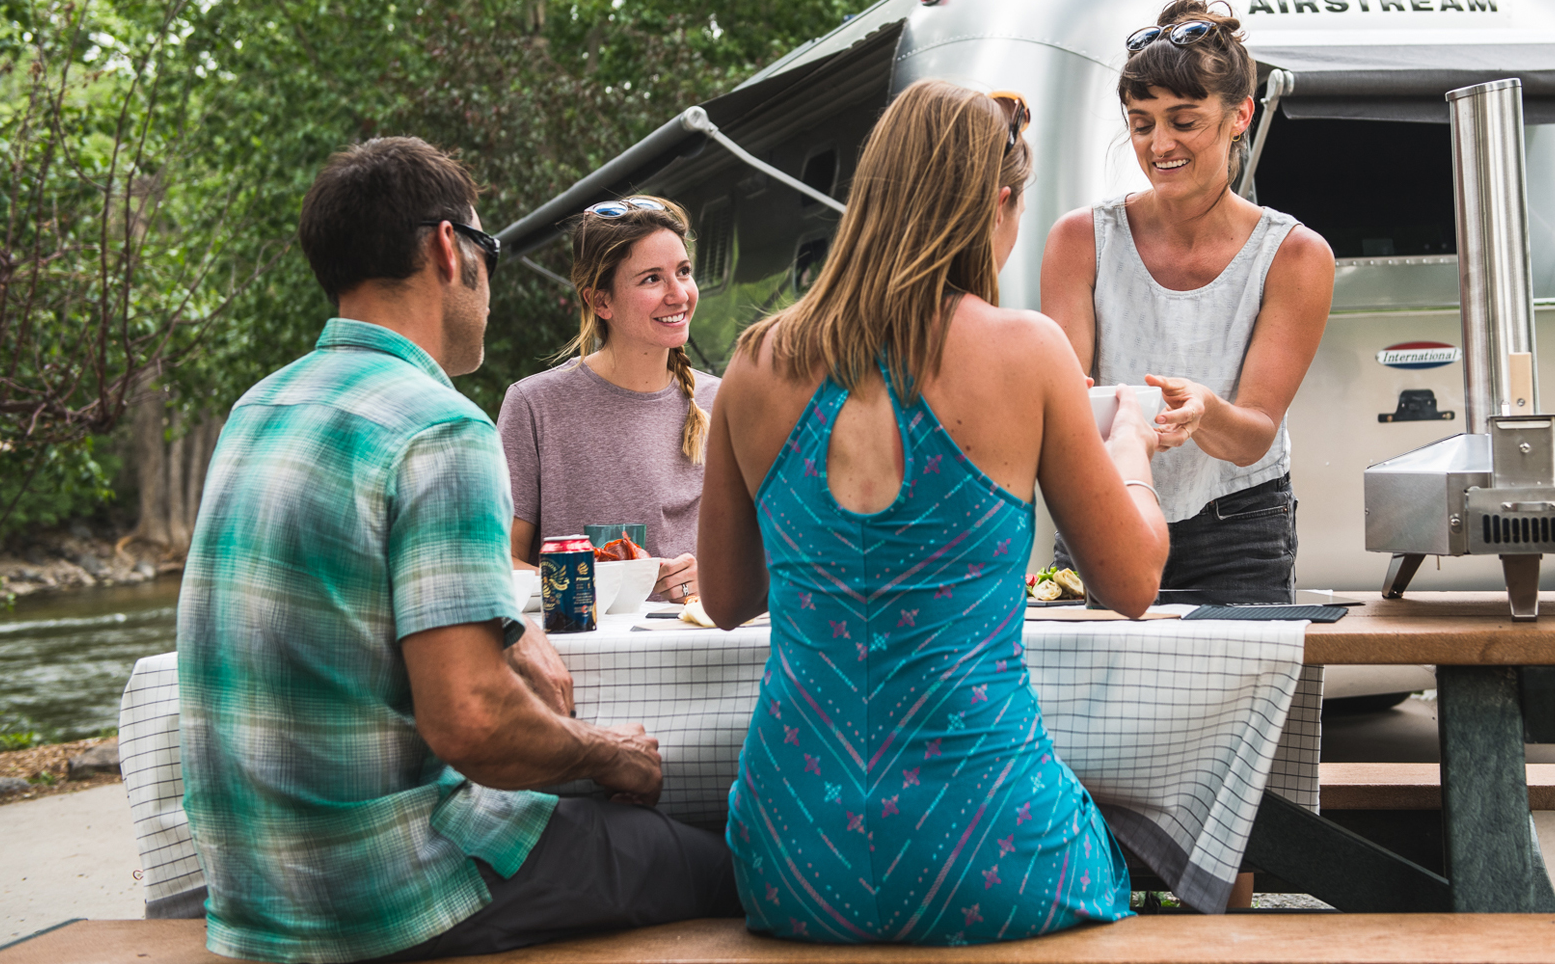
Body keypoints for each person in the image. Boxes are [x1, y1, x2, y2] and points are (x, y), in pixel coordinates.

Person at [177, 138, 739, 964]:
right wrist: (608, 753)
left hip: (253, 893)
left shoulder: (258, 407)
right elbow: (474, 723)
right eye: (489, 251)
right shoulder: (439, 427)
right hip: (388, 892)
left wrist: (511, 630)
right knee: (715, 859)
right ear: (450, 249)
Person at [697, 80, 1170, 945]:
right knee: (1164, 855)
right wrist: (1130, 445)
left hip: (795, 854)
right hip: (988, 841)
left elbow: (726, 600)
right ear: (997, 203)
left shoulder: (756, 362)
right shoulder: (1028, 351)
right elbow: (1134, 580)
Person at [1040, 0, 1335, 601]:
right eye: (1141, 123)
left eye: (1183, 120)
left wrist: (1206, 411)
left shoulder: (1295, 255)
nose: (1159, 144)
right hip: (1102, 507)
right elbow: (1067, 406)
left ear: (1239, 116)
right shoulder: (1080, 239)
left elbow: (1252, 435)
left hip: (1239, 528)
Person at [498, 197, 715, 602]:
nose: (678, 294)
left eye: (683, 272)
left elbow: (775, 555)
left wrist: (717, 582)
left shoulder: (722, 402)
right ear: (601, 302)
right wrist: (606, 588)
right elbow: (497, 561)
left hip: (703, 657)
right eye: (652, 279)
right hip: (584, 660)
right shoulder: (533, 405)